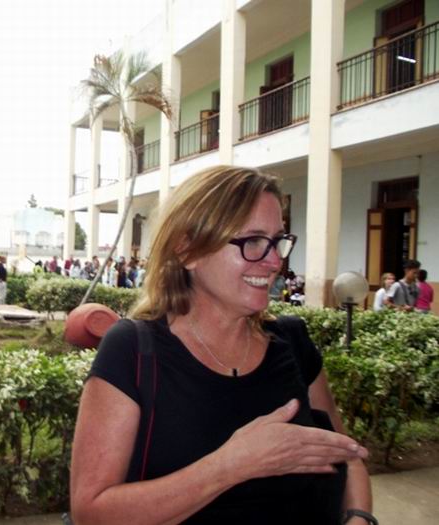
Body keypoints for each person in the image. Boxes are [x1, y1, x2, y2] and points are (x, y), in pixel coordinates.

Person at [70, 166, 372, 525]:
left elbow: (347, 454)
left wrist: (359, 518)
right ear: (187, 250)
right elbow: (92, 511)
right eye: (253, 241)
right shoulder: (133, 350)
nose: (275, 261)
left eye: (278, 240)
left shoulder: (292, 342)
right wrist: (232, 464)